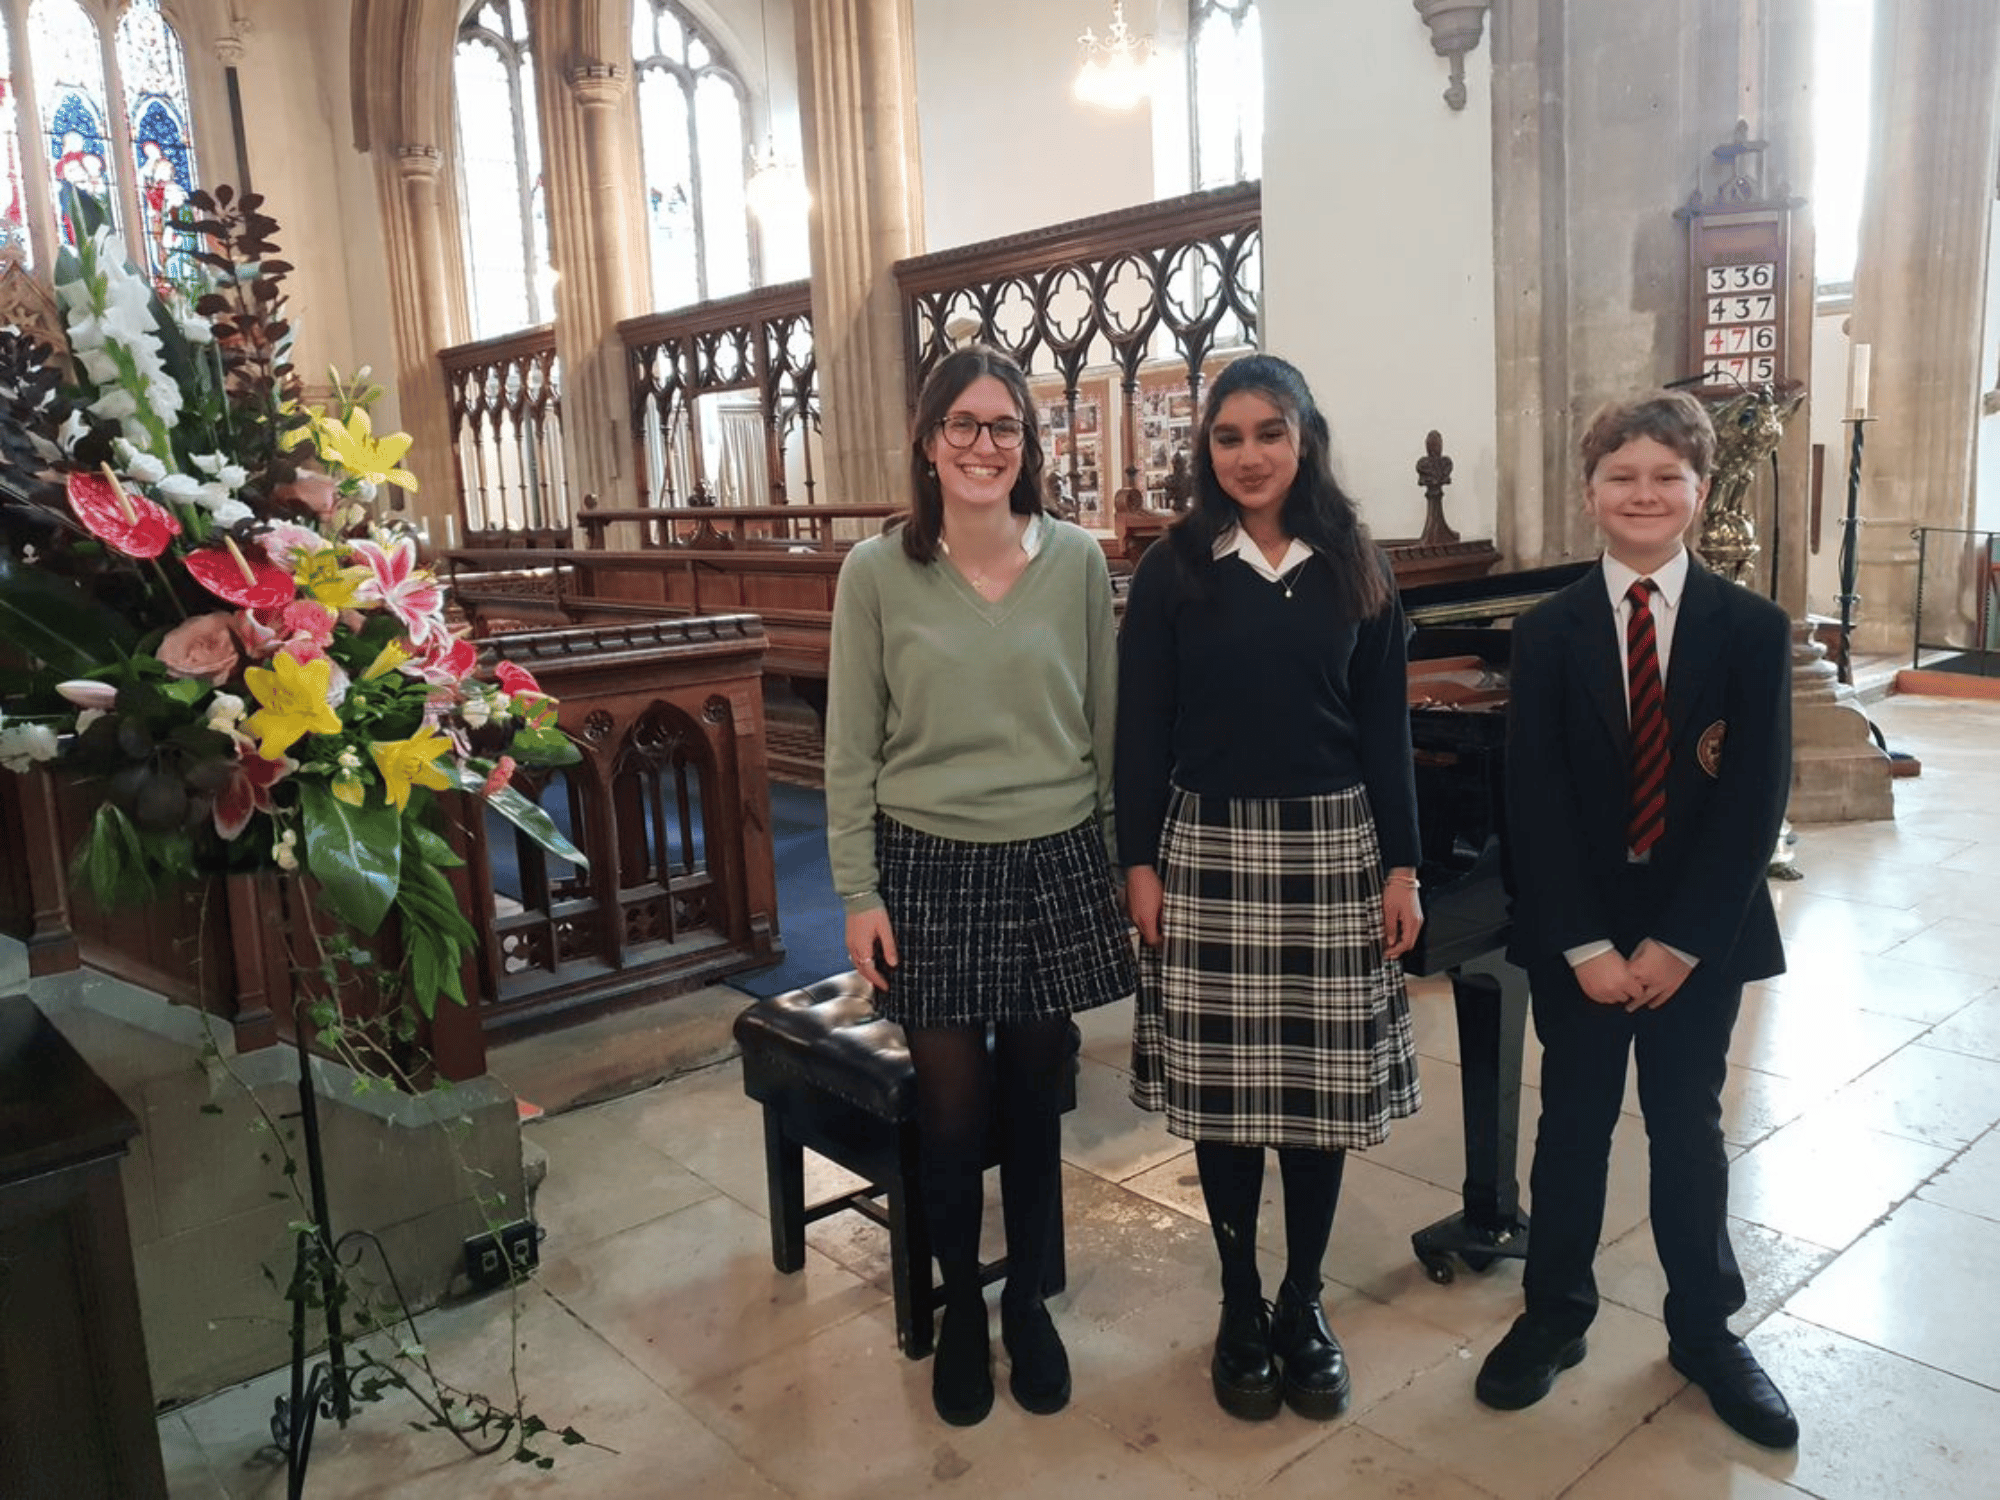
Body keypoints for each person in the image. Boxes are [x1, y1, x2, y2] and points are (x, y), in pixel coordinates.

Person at [1475, 391, 1796, 1448]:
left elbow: (1753, 800)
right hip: (1582, 935)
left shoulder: (1747, 630)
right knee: (1567, 1129)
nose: (1643, 493)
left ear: (1698, 494)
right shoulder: (1549, 631)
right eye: (1621, 476)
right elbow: (1535, 801)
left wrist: (1677, 943)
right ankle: (1554, 1312)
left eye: (1665, 476)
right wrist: (1581, 944)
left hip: (1693, 933)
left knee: (1685, 1129)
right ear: (1588, 494)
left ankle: (1704, 1329)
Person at [825, 344, 1135, 1427]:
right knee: (954, 1109)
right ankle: (962, 1306)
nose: (981, 445)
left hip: (1054, 856)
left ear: (1027, 446)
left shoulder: (1079, 563)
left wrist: (1111, 865)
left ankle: (1030, 1305)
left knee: (1037, 1094)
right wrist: (858, 890)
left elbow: (1104, 730)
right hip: (929, 864)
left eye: (1002, 426)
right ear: (926, 440)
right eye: (961, 423)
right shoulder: (874, 573)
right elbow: (849, 746)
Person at [1116, 353, 1424, 1423]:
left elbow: (1384, 730)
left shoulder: (1352, 565)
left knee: (1315, 1099)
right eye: (1227, 436)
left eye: (1268, 433)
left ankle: (1304, 1302)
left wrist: (1401, 863)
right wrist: (1137, 860)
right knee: (1227, 1099)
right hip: (1204, 847)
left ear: (1304, 439)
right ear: (1205, 451)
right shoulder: (1174, 570)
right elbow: (1139, 727)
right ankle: (1239, 1301)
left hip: (1335, 849)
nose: (1248, 455)